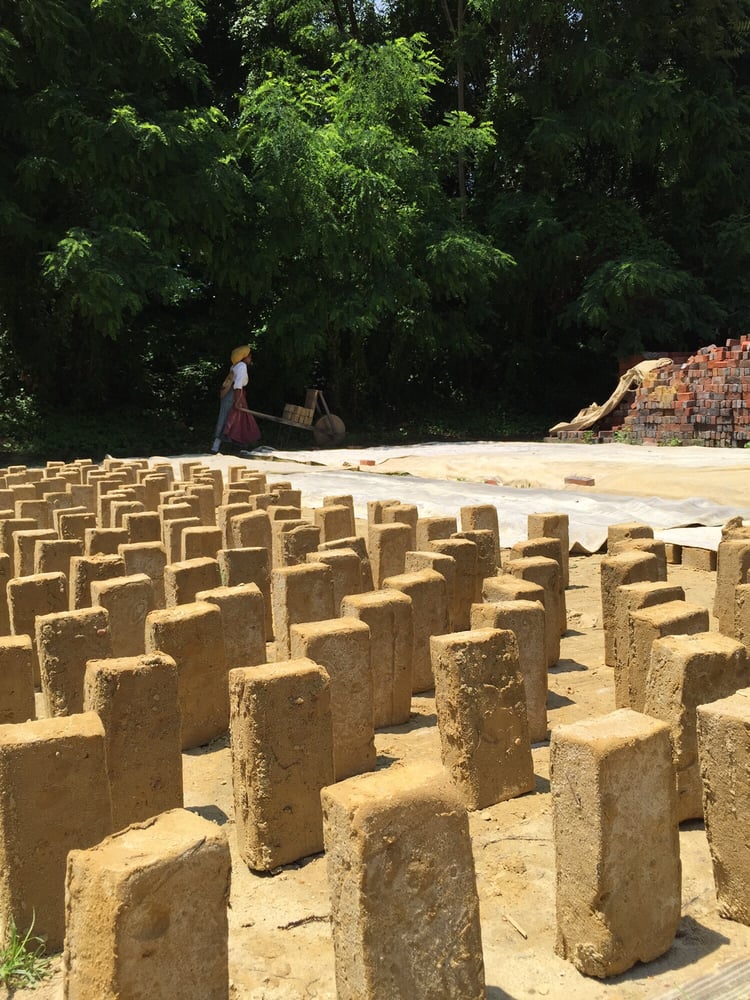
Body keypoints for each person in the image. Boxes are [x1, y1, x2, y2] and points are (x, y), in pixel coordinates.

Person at [210, 345, 261, 454]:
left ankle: (236, 445)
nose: (250, 359)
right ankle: (216, 447)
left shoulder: (234, 366)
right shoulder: (242, 366)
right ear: (244, 357)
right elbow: (238, 385)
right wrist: (237, 401)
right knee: (229, 418)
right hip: (235, 394)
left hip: (230, 394)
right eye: (249, 356)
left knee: (235, 418)